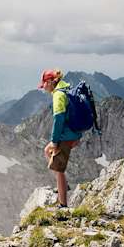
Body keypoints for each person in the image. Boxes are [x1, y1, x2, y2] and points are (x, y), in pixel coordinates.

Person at [39, 69, 82, 209]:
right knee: (47, 151)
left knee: (59, 170)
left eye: (44, 84)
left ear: (51, 82)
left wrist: (54, 141)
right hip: (74, 132)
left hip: (66, 136)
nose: (43, 87)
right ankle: (63, 185)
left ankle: (63, 205)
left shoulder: (58, 95)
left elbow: (58, 120)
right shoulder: (65, 88)